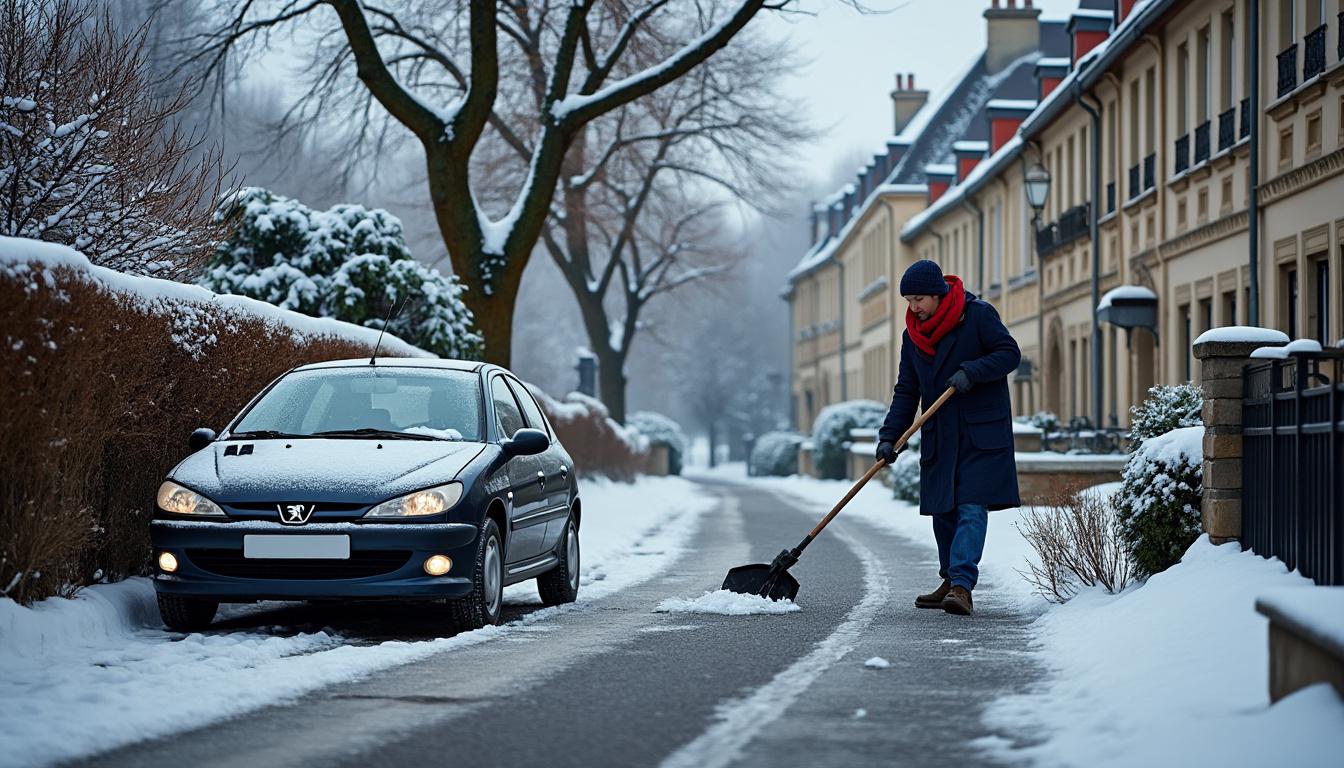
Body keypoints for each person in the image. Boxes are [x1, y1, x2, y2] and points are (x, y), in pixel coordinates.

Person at [876, 259, 1021, 616]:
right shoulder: (912, 337)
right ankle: (949, 579)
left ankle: (962, 584)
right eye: (908, 300)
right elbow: (907, 390)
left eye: (919, 299)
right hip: (940, 432)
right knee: (943, 510)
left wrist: (972, 371)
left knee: (971, 506)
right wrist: (890, 436)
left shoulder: (978, 315)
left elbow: (1009, 354)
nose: (914, 308)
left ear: (939, 295)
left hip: (979, 432)